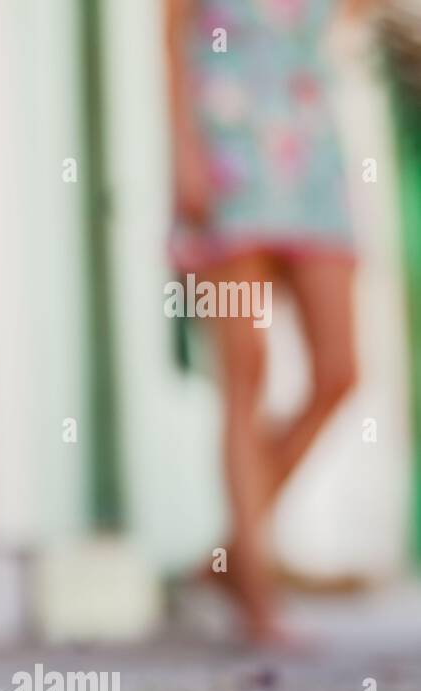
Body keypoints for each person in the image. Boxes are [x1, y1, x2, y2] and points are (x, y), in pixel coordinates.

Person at [166, 0, 360, 643]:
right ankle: (257, 598)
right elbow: (170, 32)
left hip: (312, 157)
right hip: (229, 155)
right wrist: (184, 152)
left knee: (340, 372)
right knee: (246, 371)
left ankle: (230, 553)